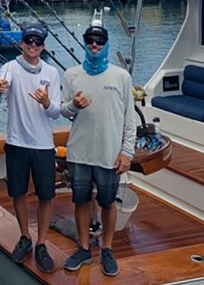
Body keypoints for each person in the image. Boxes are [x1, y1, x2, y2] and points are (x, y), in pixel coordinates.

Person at [60, 22, 135, 277]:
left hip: (109, 154)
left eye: (99, 41)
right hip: (79, 152)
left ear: (106, 45)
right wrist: (74, 105)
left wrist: (127, 153)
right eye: (90, 40)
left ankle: (107, 249)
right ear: (85, 43)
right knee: (81, 200)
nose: (94, 45)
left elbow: (129, 118)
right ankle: (83, 248)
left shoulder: (121, 76)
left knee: (108, 202)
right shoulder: (71, 74)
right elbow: (64, 111)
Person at [0, 24, 61, 274]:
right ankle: (25, 236)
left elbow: (56, 112)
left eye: (38, 42)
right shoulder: (9, 67)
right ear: (21, 43)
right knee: (18, 192)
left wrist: (46, 103)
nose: (33, 46)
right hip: (16, 142)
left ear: (43, 46)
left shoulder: (52, 73)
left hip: (43, 144)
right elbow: (1, 88)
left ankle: (42, 243)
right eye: (28, 41)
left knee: (46, 196)